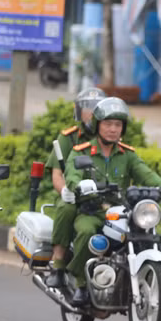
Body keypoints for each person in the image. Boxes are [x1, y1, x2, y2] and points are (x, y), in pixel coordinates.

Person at [62, 98, 161, 307]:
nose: (113, 129)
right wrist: (80, 184)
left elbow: (146, 174)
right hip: (91, 211)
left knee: (146, 235)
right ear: (97, 125)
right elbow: (72, 174)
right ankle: (81, 284)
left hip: (122, 212)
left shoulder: (127, 154)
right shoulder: (82, 151)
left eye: (117, 125)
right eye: (108, 124)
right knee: (86, 232)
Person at [44, 87, 107, 288]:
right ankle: (58, 263)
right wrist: (66, 191)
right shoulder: (69, 138)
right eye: (88, 107)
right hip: (73, 194)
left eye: (97, 107)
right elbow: (57, 174)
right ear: (79, 111)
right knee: (66, 208)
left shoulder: (109, 138)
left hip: (102, 196)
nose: (92, 112)